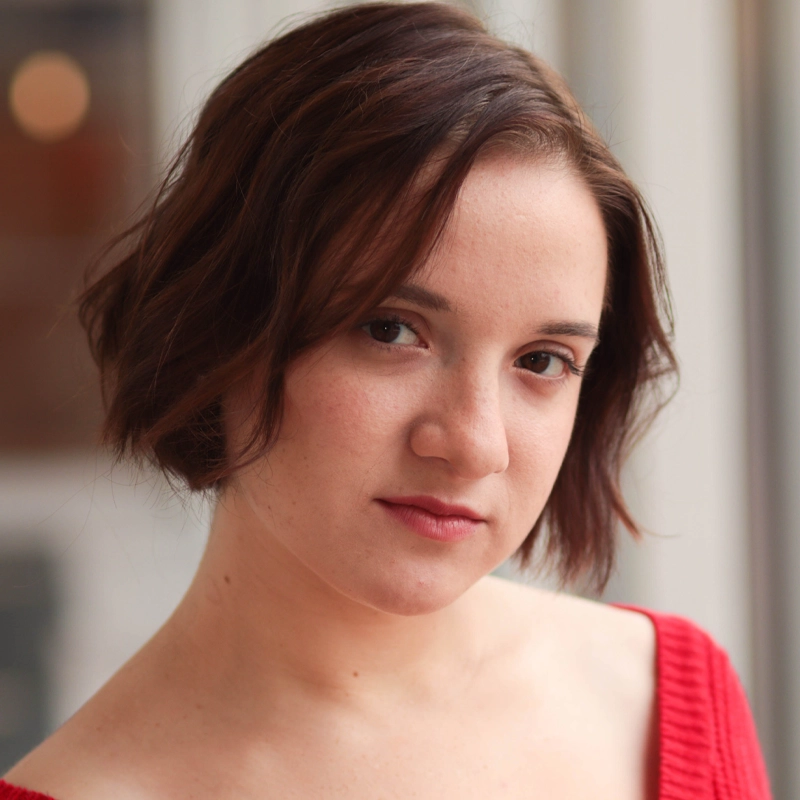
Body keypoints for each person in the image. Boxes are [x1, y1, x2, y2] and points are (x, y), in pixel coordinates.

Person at [1, 3, 770, 798]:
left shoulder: (666, 703)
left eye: (543, 360)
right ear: (220, 328)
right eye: (391, 331)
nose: (474, 443)